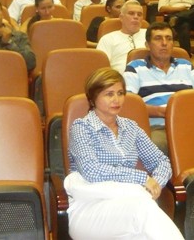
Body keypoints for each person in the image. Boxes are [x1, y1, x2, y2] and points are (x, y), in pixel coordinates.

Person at [65, 67, 184, 240]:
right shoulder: (82, 128)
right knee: (142, 210)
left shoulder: (130, 127)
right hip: (91, 208)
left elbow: (161, 161)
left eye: (120, 93)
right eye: (109, 94)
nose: (116, 99)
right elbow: (92, 171)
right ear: (92, 98)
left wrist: (154, 185)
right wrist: (142, 179)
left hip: (132, 202)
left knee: (143, 215)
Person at [123, 22, 194, 154]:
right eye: (158, 38)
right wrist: (164, 112)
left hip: (190, 124)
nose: (164, 43)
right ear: (147, 45)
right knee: (155, 146)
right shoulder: (135, 67)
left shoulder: (185, 65)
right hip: (158, 127)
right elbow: (128, 105)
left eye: (169, 39)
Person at [97, 0, 147, 73]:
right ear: (121, 17)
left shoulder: (151, 35)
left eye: (139, 14)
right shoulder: (108, 39)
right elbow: (101, 69)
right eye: (131, 13)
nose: (136, 17)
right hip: (120, 80)